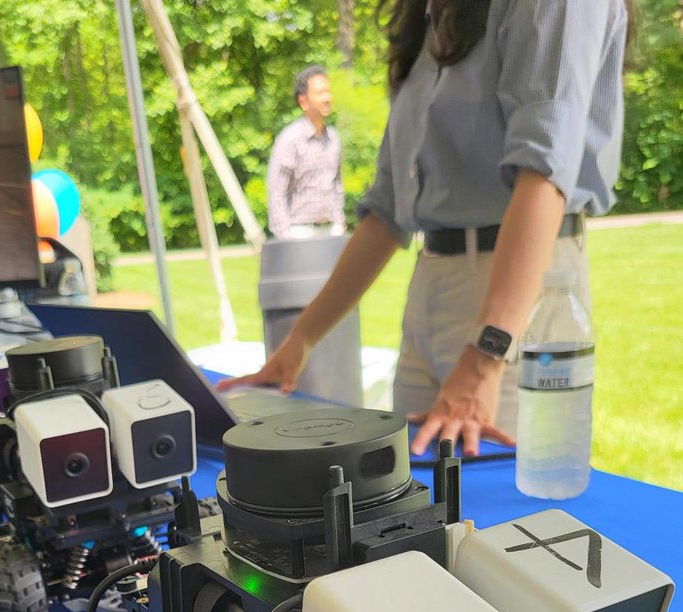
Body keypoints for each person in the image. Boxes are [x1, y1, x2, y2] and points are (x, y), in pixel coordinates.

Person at [225, 0, 632, 458]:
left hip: (518, 301)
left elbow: (544, 173)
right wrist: (299, 341)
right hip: (429, 290)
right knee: (410, 503)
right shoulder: (431, 14)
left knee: (500, 513)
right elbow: (385, 208)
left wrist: (484, 357)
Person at [266, 66, 346, 240]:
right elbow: (276, 191)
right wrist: (285, 235)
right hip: (299, 232)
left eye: (328, 92)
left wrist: (339, 222)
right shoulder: (290, 139)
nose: (327, 98)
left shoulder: (333, 138)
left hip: (331, 230)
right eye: (320, 93)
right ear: (304, 101)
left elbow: (337, 186)